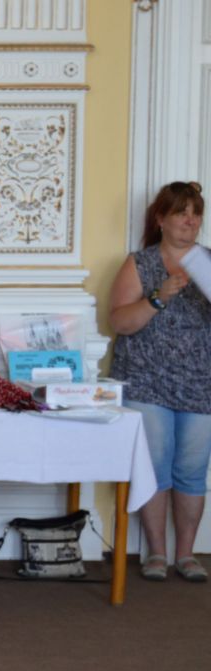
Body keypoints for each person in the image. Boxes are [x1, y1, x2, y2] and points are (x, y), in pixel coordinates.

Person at [108, 180, 211, 583]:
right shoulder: (140, 263)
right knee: (153, 467)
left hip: (201, 383)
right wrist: (158, 297)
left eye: (196, 213)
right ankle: (156, 552)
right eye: (181, 212)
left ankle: (186, 554)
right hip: (146, 380)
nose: (190, 220)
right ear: (161, 220)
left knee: (191, 470)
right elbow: (120, 322)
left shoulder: (208, 263)